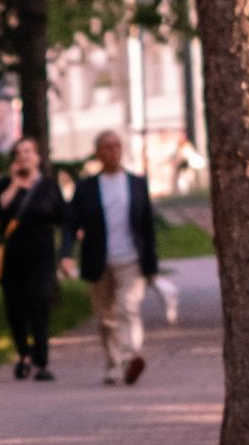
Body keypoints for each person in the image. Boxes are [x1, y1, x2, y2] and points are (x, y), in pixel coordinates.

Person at [69, 129, 176, 384]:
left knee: (128, 307)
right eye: (106, 147)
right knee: (106, 318)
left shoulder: (136, 184)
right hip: (99, 262)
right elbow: (71, 223)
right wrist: (65, 255)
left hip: (131, 260)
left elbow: (147, 227)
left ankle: (130, 357)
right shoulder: (86, 188)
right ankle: (113, 364)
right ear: (97, 153)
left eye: (116, 146)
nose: (112, 151)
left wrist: (152, 266)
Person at [0, 136, 70, 378]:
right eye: (19, 152)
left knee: (38, 301)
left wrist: (66, 253)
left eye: (28, 151)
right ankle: (23, 354)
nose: (23, 156)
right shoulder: (5, 184)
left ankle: (41, 361)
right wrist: (15, 183)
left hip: (41, 257)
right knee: (15, 308)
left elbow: (63, 218)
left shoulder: (48, 186)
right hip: (11, 257)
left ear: (37, 157)